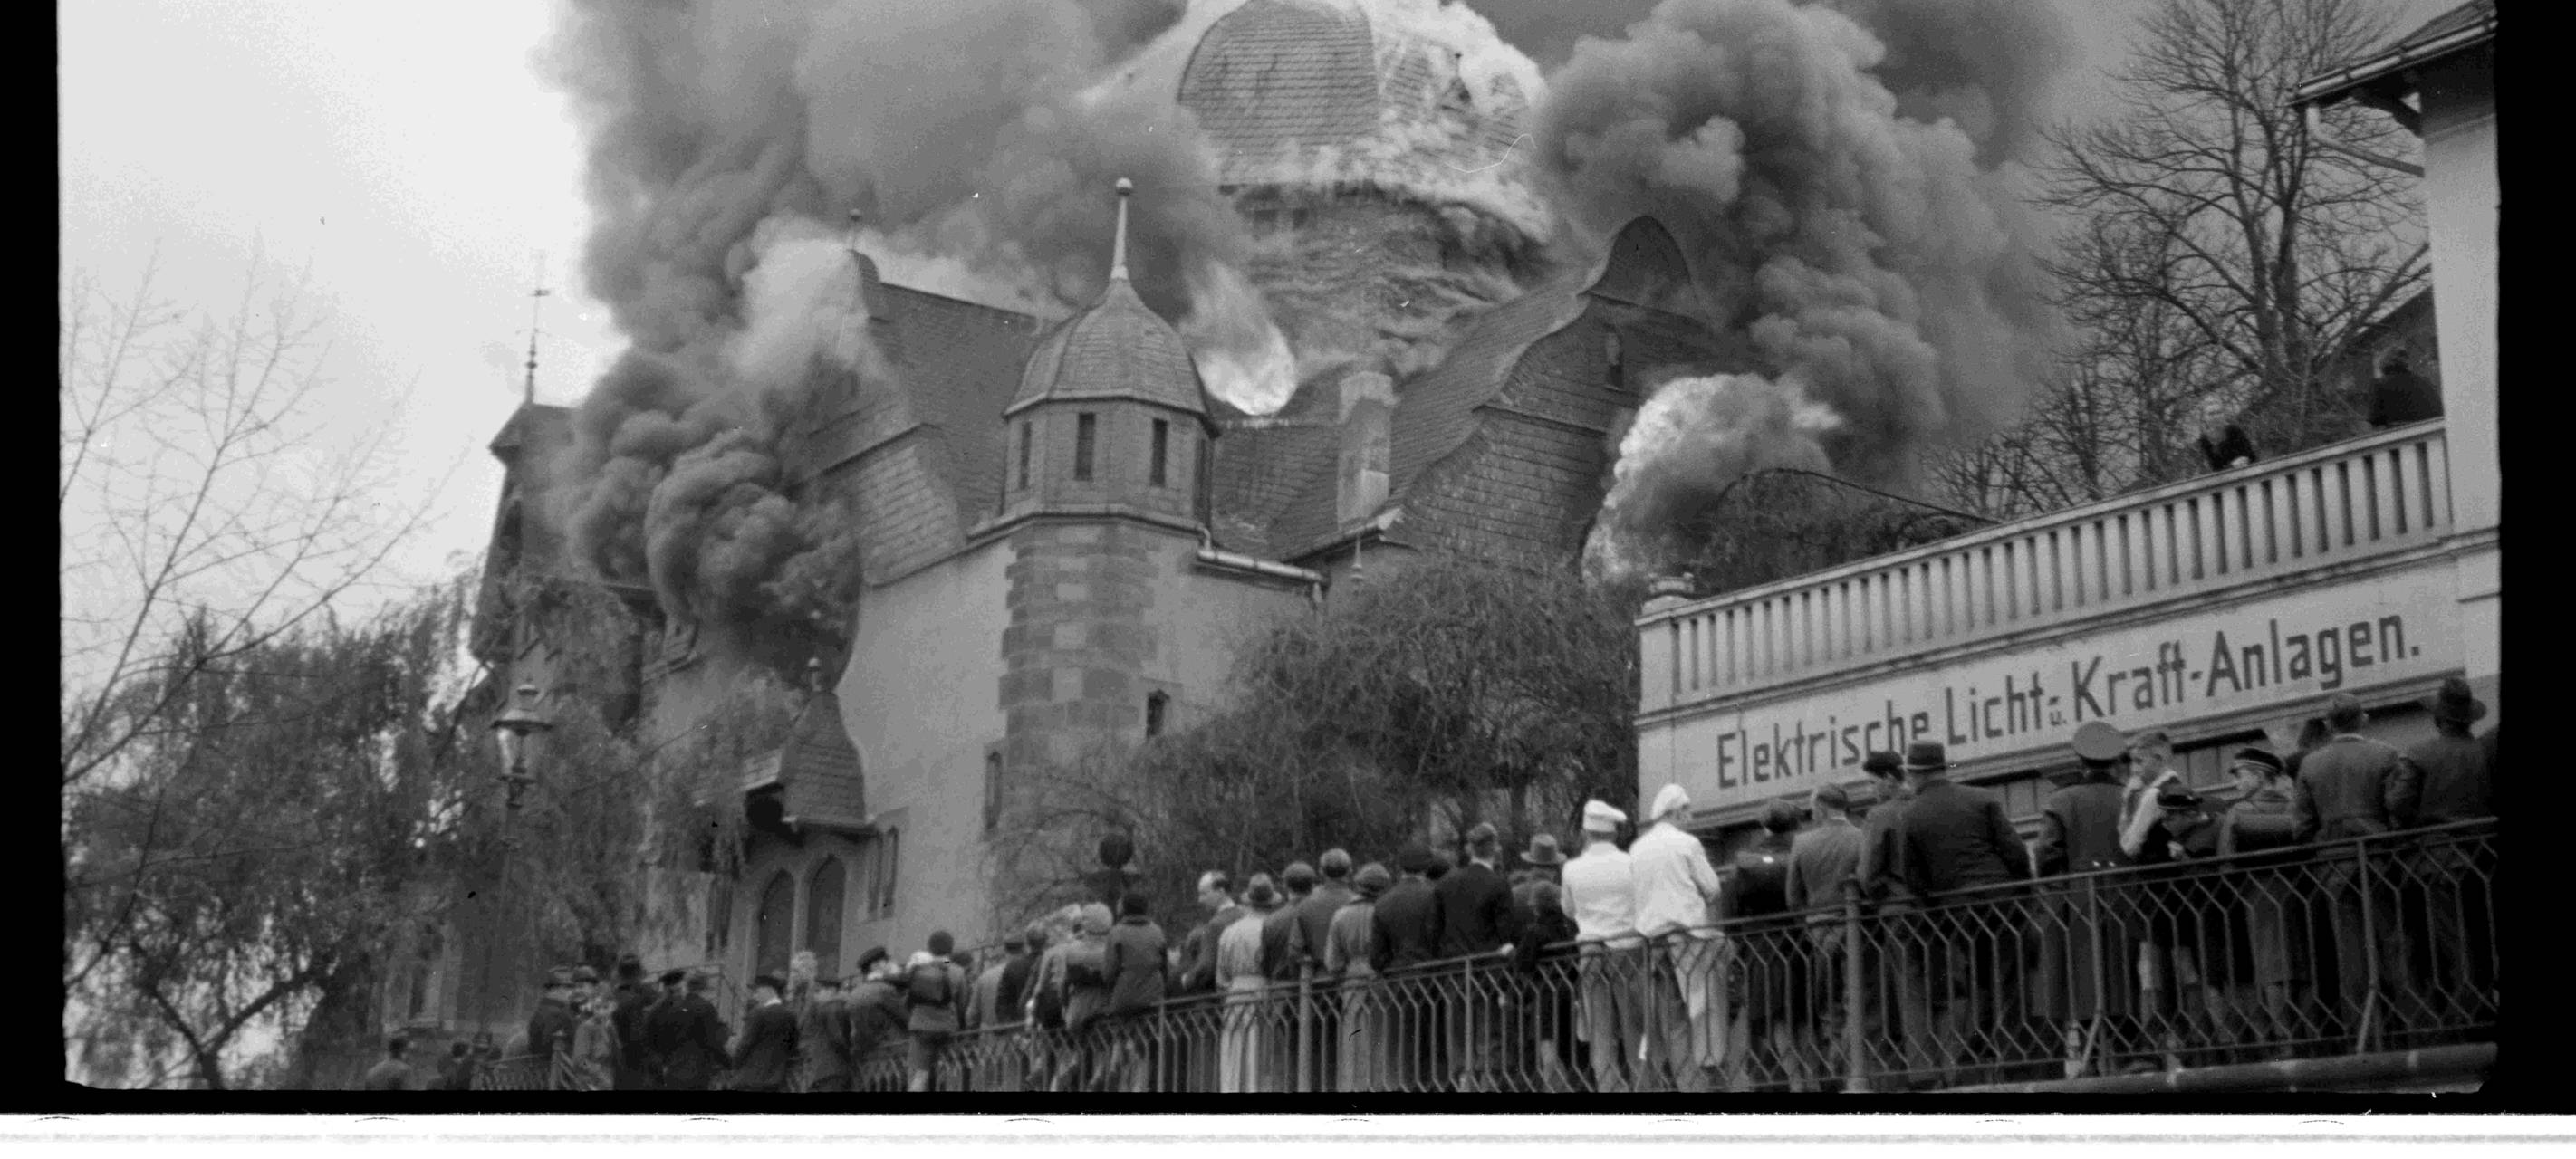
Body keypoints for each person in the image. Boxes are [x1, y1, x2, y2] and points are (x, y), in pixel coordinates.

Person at [1892, 741, 2031, 1086]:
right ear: (1942, 768)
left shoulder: (1908, 814)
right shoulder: (1981, 799)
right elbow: (2014, 852)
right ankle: (2012, 1056)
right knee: (2010, 979)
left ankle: (1979, 1054)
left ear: (1914, 775)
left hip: (1957, 912)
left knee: (1977, 979)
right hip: (2002, 899)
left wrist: (1936, 912)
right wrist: (2022, 893)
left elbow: (1913, 876)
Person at [2292, 692, 2422, 1048]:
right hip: (2380, 861)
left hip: (2334, 866)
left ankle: (2360, 1035)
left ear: (2329, 725)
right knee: (2394, 943)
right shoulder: (2385, 754)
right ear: (2362, 719)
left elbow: (2301, 825)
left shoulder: (2311, 764)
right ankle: (2413, 1030)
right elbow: (2398, 810)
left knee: (2350, 954)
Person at [2034, 721, 2141, 1078]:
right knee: (2124, 972)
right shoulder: (2131, 797)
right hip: (2127, 895)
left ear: (2081, 762)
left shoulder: (2062, 800)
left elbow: (2047, 856)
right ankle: (2129, 1050)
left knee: (2084, 976)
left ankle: (2095, 1056)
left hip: (2080, 899)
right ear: (2115, 762)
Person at [1631, 783, 1725, 1093]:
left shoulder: (1638, 848)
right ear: (1673, 812)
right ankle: (1707, 1078)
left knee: (1671, 1019)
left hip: (1652, 941)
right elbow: (1712, 888)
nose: (1691, 816)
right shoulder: (1687, 844)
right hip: (1689, 938)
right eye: (1687, 810)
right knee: (1701, 1008)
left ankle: (1685, 1084)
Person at [2126, 784, 2226, 1070]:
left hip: (2200, 922)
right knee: (2173, 983)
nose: (2166, 823)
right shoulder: (2165, 835)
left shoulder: (2210, 829)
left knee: (2201, 983)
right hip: (2173, 920)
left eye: (2171, 817)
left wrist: (2185, 860)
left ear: (2189, 813)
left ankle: (2209, 1048)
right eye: (2164, 817)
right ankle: (2175, 1048)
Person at [2217, 746, 2308, 1057]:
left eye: (2241, 776)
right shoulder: (2296, 808)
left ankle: (2285, 1039)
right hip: (2299, 892)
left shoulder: (2238, 813)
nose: (2236, 784)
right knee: (2302, 961)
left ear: (2259, 776)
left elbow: (2226, 863)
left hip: (2258, 894)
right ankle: (2309, 1034)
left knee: (2271, 965)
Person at [1561, 800, 1643, 1093]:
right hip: (1629, 950)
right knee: (1635, 1029)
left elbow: (1569, 911)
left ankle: (1608, 1090)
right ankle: (1642, 1089)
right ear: (1614, 833)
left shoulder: (1571, 868)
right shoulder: (1630, 862)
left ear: (1586, 833)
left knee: (1600, 1033)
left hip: (1591, 952)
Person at [1785, 781, 1863, 1088]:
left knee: (1828, 1002)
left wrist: (1809, 922)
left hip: (1818, 930)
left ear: (1820, 807)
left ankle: (1835, 1065)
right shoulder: (1860, 836)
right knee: (1854, 997)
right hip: (1855, 928)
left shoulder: (1802, 843)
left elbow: (1793, 897)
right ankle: (1851, 1067)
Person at [1435, 822, 1521, 1091]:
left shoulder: (1446, 884)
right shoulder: (1498, 884)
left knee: (1459, 1032)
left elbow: (1435, 929)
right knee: (1489, 1031)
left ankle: (1463, 1082)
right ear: (1494, 849)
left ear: (1470, 849)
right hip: (1489, 971)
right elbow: (1507, 931)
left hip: (1455, 970)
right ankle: (1486, 1086)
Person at [1288, 848, 1356, 1090]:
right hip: (1351, 984)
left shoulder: (1306, 906)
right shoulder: (1355, 902)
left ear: (1321, 872)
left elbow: (1295, 950)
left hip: (1318, 986)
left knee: (1320, 1048)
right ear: (1349, 871)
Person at [1508, 878, 1581, 1092]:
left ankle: (1553, 1088)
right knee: (1565, 1044)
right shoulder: (1568, 928)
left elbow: (1523, 961)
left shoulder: (1536, 931)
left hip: (1546, 994)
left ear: (1536, 905)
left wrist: (1509, 953)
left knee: (1547, 1041)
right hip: (1569, 990)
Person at [1326, 862, 1390, 1091]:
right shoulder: (1385, 912)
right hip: (1381, 977)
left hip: (1352, 981)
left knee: (1354, 1037)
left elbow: (1332, 962)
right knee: (1383, 1035)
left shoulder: (1341, 916)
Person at [1218, 875, 1283, 1092]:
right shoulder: (1273, 927)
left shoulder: (1230, 932)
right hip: (1264, 990)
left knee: (1237, 1047)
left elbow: (1221, 978)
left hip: (1236, 994)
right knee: (1262, 1047)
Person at [1102, 891, 1169, 1091]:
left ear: (1124, 909)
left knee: (1123, 1035)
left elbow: (1109, 972)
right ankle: (1143, 1083)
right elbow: (1164, 967)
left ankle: (1117, 1064)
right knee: (1147, 1046)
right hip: (1153, 998)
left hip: (1125, 998)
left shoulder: (1116, 933)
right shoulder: (1157, 931)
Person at [903, 933, 970, 1092]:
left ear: (930, 948)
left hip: (921, 1029)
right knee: (951, 1072)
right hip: (948, 1028)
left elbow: (908, 1001)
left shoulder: (918, 970)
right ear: (951, 948)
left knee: (920, 1074)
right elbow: (963, 1003)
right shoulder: (957, 971)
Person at [845, 950, 908, 1090]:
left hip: (868, 1064)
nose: (890, 966)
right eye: (886, 962)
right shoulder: (885, 990)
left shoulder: (854, 993)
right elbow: (906, 1020)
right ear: (875, 966)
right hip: (893, 1059)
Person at [1180, 871, 1246, 995]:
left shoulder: (1214, 926)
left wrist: (1187, 980)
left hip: (1220, 995)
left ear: (1220, 892)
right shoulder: (1244, 914)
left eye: (1204, 894)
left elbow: (1206, 968)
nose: (1200, 900)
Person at [730, 973, 798, 1092]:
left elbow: (746, 1044)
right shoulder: (790, 1015)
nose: (754, 996)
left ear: (769, 990)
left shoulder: (758, 1013)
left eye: (757, 991)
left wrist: (734, 1063)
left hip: (751, 1079)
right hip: (776, 1079)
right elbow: (792, 1046)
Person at [525, 966, 580, 1088]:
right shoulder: (559, 1013)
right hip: (556, 1078)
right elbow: (552, 1047)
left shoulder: (541, 1009)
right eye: (569, 987)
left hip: (538, 1076)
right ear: (557, 988)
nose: (572, 992)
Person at [610, 954, 657, 1090]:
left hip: (615, 1067)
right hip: (633, 1068)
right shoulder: (634, 1001)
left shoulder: (612, 997)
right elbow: (636, 1039)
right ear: (637, 974)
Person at [1263, 863, 1315, 983]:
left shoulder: (1272, 921)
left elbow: (1265, 966)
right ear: (1313, 885)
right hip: (1316, 991)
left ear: (1285, 886)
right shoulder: (1319, 914)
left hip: (1281, 992)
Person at [800, 973, 853, 1092]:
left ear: (832, 991)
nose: (815, 996)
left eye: (819, 991)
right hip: (830, 1070)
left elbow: (838, 1038)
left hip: (830, 1070)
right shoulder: (831, 1008)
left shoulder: (832, 1008)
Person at [2366, 347, 2442, 427]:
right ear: (2406, 363)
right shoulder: (2424, 382)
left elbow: (2374, 420)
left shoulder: (2378, 385)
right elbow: (2438, 411)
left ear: (2382, 363)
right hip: (2431, 434)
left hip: (2399, 436)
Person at [972, 934, 1024, 1031]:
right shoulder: (1030, 972)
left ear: (1005, 951)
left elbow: (972, 1014)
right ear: (1024, 949)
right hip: (1022, 1036)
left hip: (990, 1037)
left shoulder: (985, 977)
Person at [572, 991, 620, 1091]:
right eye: (597, 1008)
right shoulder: (586, 1028)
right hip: (592, 1080)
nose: (601, 1012)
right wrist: (598, 1073)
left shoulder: (612, 1026)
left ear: (614, 1007)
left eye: (605, 1007)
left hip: (612, 1076)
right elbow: (580, 1060)